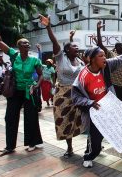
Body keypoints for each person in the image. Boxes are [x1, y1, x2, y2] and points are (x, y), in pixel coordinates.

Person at [71, 36, 122, 168]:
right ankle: (89, 156)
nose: (104, 58)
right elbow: (75, 97)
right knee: (95, 140)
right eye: (101, 56)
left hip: (110, 107)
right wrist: (89, 102)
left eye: (104, 55)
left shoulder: (106, 66)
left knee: (121, 131)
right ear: (92, 59)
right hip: (95, 111)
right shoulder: (83, 75)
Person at [0, 12, 43, 154]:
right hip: (15, 91)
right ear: (19, 46)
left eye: (28, 43)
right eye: (24, 43)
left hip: (29, 90)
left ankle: (32, 142)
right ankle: (10, 146)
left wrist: (36, 85)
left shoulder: (34, 60)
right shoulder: (14, 55)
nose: (27, 44)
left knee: (30, 117)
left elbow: (41, 75)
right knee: (10, 118)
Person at [39, 14, 84, 159]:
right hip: (62, 94)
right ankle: (69, 148)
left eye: (77, 46)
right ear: (66, 51)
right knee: (64, 120)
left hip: (78, 93)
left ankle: (92, 145)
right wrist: (48, 27)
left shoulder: (80, 61)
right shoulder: (60, 57)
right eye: (73, 47)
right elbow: (55, 42)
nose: (76, 48)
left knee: (84, 119)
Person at [95, 21, 122, 110]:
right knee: (114, 109)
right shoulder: (111, 55)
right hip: (114, 86)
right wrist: (98, 30)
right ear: (117, 48)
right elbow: (100, 44)